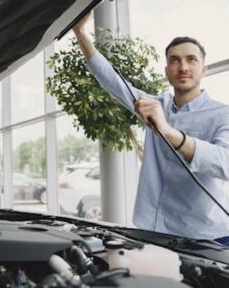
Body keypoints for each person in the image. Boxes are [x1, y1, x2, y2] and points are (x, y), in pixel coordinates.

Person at [73, 12, 229, 242]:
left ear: (203, 69)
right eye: (174, 60)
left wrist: (169, 132)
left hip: (206, 236)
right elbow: (110, 79)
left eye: (191, 59)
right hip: (154, 232)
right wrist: (80, 33)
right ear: (166, 71)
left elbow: (225, 163)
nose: (182, 66)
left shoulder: (223, 114)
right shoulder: (155, 105)